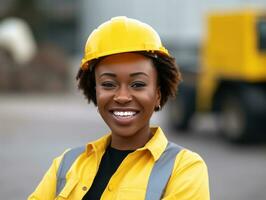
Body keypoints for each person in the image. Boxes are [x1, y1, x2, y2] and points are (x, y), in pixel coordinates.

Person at [28, 16, 210, 200]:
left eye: (138, 84)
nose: (122, 97)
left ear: (158, 94)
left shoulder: (184, 169)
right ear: (95, 92)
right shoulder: (67, 164)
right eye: (108, 84)